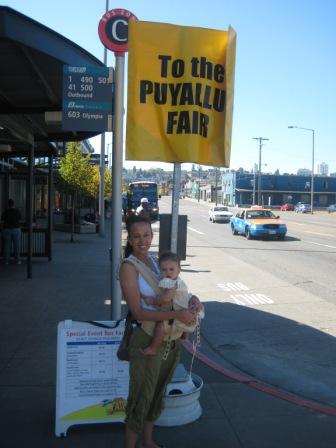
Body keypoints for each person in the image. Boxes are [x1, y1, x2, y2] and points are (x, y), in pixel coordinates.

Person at [119, 215, 203, 448]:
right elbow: (138, 312)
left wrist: (192, 300)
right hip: (146, 337)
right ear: (130, 238)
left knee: (156, 393)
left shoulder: (156, 262)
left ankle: (147, 441)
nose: (142, 240)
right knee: (140, 396)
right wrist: (177, 316)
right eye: (136, 236)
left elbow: (174, 290)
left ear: (152, 235)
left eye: (146, 235)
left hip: (168, 338)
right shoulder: (129, 267)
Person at [142, 251, 204, 356]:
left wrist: (152, 301)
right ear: (159, 270)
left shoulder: (173, 284)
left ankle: (153, 348)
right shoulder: (179, 281)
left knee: (160, 326)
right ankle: (184, 333)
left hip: (180, 314)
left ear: (179, 270)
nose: (168, 273)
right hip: (182, 312)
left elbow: (166, 299)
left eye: (171, 269)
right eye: (164, 270)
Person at [1, 199, 22, 265]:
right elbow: (20, 219)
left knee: (7, 246)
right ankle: (17, 260)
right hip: (16, 229)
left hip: (6, 229)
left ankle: (6, 261)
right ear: (14, 204)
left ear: (8, 204)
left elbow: (2, 221)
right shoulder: (17, 211)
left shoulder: (5, 212)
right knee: (17, 246)